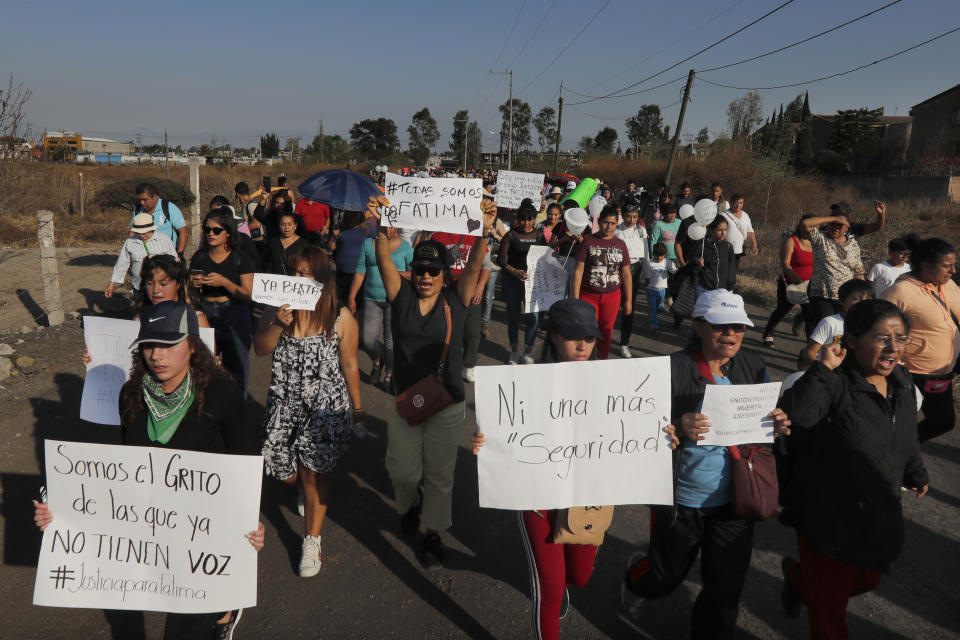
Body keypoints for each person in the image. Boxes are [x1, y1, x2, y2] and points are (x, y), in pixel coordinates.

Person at [38, 300, 265, 639]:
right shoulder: (131, 394)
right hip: (152, 532)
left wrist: (249, 521)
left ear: (192, 345)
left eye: (168, 344)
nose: (157, 355)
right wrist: (62, 512)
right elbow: (117, 470)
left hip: (203, 534)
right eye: (149, 346)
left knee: (182, 628)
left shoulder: (222, 393)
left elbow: (244, 458)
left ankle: (223, 610)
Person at [470, 298, 678, 640]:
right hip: (536, 498)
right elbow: (503, 434)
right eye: (572, 336)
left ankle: (560, 583)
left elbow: (632, 434)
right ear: (552, 336)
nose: (583, 345)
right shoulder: (526, 383)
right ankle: (551, 595)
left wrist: (660, 437)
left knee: (579, 575)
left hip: (588, 496)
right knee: (549, 590)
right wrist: (485, 443)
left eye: (590, 337)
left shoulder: (615, 385)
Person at [621, 289, 792, 639]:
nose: (730, 335)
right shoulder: (670, 369)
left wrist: (777, 425)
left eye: (738, 327)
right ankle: (637, 579)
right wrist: (679, 426)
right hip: (682, 502)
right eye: (720, 326)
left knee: (724, 590)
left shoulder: (753, 366)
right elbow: (633, 430)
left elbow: (759, 431)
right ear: (698, 326)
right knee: (664, 579)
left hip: (735, 501)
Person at [778, 299, 928, 639]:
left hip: (875, 508)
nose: (893, 347)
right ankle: (812, 586)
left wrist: (916, 472)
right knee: (829, 613)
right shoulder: (833, 382)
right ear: (851, 340)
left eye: (901, 338)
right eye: (880, 338)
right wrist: (821, 369)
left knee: (867, 577)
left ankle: (801, 581)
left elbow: (905, 433)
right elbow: (797, 416)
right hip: (825, 514)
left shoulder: (902, 384)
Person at [366, 193, 494, 568]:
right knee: (401, 470)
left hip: (447, 400)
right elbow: (382, 260)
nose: (425, 276)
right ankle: (409, 504)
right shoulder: (400, 294)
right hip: (407, 399)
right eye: (420, 269)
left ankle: (434, 534)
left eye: (433, 271)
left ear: (444, 275)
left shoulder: (456, 299)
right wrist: (378, 229)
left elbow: (473, 266)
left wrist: (485, 233)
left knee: (439, 475)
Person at [254, 247, 362, 578]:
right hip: (284, 404)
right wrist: (276, 323)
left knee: (317, 476)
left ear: (321, 278)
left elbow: (350, 364)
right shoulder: (277, 308)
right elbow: (260, 348)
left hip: (325, 409)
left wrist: (358, 408)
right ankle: (303, 485)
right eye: (294, 272)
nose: (298, 279)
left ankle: (312, 540)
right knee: (279, 465)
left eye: (305, 273)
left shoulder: (339, 316)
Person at [883, 237, 959, 441]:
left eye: (954, 265)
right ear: (926, 265)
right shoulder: (901, 291)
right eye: (947, 266)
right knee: (900, 421)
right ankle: (896, 458)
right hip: (909, 374)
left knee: (943, 421)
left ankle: (900, 447)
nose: (953, 271)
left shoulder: (948, 285)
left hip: (942, 373)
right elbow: (877, 328)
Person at [189, 210, 255, 397]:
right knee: (203, 366)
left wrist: (224, 282)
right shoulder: (199, 256)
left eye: (216, 230)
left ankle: (238, 410)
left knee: (237, 367)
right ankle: (205, 408)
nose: (210, 234)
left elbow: (248, 294)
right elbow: (190, 290)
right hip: (205, 313)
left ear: (228, 232)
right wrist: (193, 284)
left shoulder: (241, 258)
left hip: (234, 312)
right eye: (207, 229)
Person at [802, 201, 887, 334]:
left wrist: (863, 294)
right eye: (833, 221)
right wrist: (833, 219)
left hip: (845, 297)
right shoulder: (821, 237)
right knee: (827, 328)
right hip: (822, 294)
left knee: (841, 331)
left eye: (840, 224)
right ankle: (813, 351)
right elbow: (805, 223)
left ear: (847, 225)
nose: (836, 226)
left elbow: (858, 271)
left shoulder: (853, 241)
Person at [421, 227, 492, 382]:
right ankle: (444, 362)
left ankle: (469, 364)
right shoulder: (438, 236)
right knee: (445, 330)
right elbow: (427, 263)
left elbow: (486, 266)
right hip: (445, 291)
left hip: (471, 291)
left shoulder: (474, 236)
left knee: (472, 330)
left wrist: (479, 287)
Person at [348, 226, 413, 389]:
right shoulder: (368, 244)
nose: (387, 229)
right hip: (371, 299)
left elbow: (413, 274)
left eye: (391, 225)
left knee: (390, 341)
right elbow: (360, 271)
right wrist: (352, 296)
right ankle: (378, 359)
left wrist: (393, 272)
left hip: (395, 300)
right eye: (384, 225)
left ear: (397, 226)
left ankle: (389, 374)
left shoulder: (405, 247)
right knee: (368, 340)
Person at [572, 206, 632, 360]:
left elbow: (626, 273)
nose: (609, 226)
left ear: (616, 224)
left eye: (612, 223)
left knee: (606, 332)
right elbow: (578, 271)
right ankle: (583, 361)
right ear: (599, 222)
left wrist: (629, 300)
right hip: (588, 296)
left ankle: (602, 362)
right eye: (606, 222)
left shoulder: (620, 245)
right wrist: (575, 298)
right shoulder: (588, 242)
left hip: (612, 296)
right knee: (586, 331)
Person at [498, 202, 546, 364]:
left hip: (532, 283)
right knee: (514, 317)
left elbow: (546, 257)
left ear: (534, 219)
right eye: (522, 219)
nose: (526, 223)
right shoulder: (511, 235)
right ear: (517, 219)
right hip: (512, 281)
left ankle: (527, 352)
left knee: (533, 318)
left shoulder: (540, 235)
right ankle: (513, 351)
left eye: (529, 219)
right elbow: (501, 259)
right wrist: (515, 272)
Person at [761, 216, 814, 347]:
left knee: (810, 315)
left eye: (813, 226)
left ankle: (810, 347)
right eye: (807, 226)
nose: (809, 229)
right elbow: (785, 263)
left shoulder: (816, 243)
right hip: (791, 282)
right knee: (782, 309)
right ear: (801, 226)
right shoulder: (791, 241)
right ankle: (768, 333)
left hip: (810, 285)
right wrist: (794, 276)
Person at [800, 279, 873, 366]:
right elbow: (809, 351)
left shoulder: (872, 325)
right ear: (842, 301)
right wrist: (822, 370)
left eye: (867, 299)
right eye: (856, 299)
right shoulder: (830, 323)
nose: (862, 303)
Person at [105, 213, 177, 301]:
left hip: (161, 288)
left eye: (144, 232)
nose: (142, 235)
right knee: (142, 312)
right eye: (139, 232)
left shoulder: (164, 239)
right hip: (138, 286)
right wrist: (112, 283)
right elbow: (122, 263)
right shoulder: (130, 242)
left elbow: (174, 262)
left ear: (151, 229)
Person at [615, 205, 649, 357]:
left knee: (629, 307)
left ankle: (624, 342)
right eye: (628, 216)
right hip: (616, 270)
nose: (631, 220)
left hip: (635, 269)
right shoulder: (616, 230)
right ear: (623, 215)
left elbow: (646, 252)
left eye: (635, 217)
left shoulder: (641, 230)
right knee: (614, 305)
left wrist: (647, 273)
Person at [132, 182, 188, 260]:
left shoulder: (169, 208)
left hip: (168, 256)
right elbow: (133, 233)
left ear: (155, 197)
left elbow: (183, 231)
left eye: (145, 200)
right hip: (144, 257)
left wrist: (179, 254)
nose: (141, 203)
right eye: (139, 200)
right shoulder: (137, 211)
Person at [333, 210, 375, 308]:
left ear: (361, 215)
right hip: (342, 274)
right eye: (350, 213)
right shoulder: (341, 229)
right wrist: (335, 237)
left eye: (355, 213)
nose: (353, 215)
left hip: (361, 275)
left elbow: (375, 248)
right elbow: (330, 247)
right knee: (342, 305)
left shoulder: (369, 230)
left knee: (359, 306)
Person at [687, 215, 736, 297]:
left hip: (723, 291)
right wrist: (696, 264)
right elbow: (690, 269)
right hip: (703, 290)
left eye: (725, 229)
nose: (723, 233)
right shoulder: (701, 246)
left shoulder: (728, 247)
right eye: (720, 230)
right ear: (711, 230)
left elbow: (731, 269)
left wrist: (730, 288)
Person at [481, 208, 510, 338]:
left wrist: (495, 234)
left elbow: (505, 240)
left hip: (491, 263)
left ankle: (484, 324)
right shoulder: (475, 218)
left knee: (488, 294)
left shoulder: (498, 222)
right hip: (476, 260)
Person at [641, 242, 676, 336]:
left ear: (665, 255)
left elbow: (674, 271)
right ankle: (653, 324)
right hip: (650, 289)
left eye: (661, 256)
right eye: (657, 255)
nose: (659, 258)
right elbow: (644, 275)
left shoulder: (667, 262)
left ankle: (659, 308)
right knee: (652, 307)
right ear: (653, 253)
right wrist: (644, 284)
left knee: (658, 306)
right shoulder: (649, 262)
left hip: (662, 289)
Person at [721, 194, 757, 264]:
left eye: (741, 203)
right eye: (736, 202)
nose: (738, 205)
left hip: (738, 251)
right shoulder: (723, 215)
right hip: (724, 250)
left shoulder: (745, 215)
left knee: (733, 273)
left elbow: (750, 232)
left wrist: (754, 245)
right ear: (731, 202)